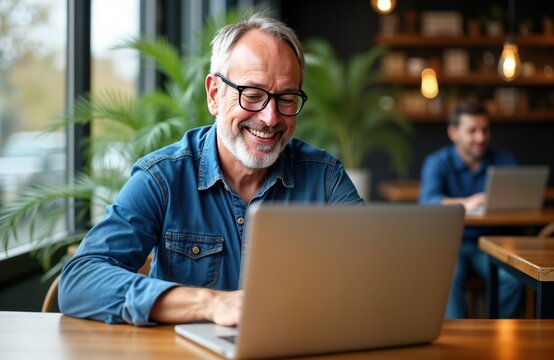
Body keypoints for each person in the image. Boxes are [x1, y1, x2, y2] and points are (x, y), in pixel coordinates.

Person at [58, 14, 363, 326]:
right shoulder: (162, 177)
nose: (271, 118)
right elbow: (79, 281)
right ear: (215, 95)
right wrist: (211, 303)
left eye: (286, 99)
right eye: (253, 95)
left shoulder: (325, 177)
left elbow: (376, 271)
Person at [419, 99, 522, 319]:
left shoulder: (504, 159)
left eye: (485, 130)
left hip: (493, 244)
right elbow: (427, 202)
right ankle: (459, 343)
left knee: (511, 278)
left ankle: (500, 337)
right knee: (448, 275)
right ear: (453, 133)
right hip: (450, 243)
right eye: (472, 131)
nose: (481, 138)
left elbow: (520, 199)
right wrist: (466, 203)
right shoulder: (437, 162)